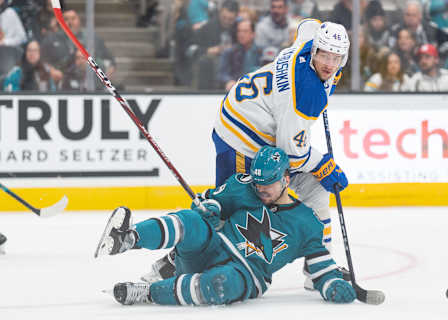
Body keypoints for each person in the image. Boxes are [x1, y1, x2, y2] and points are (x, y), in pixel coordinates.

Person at [144, 18, 351, 286]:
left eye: (336, 58)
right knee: (230, 208)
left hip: (248, 120)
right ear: (314, 51)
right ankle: (168, 266)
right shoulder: (306, 93)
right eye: (324, 55)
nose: (329, 64)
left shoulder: (307, 42)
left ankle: (318, 267)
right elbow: (294, 155)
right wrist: (325, 165)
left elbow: (308, 24)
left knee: (315, 189)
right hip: (241, 140)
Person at [96, 146, 356, 306]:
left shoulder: (308, 224)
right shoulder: (245, 186)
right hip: (211, 248)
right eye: (257, 183)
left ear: (286, 179)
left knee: (219, 285)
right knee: (191, 221)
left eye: (268, 184)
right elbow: (212, 203)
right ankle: (126, 238)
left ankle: (146, 293)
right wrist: (209, 208)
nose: (261, 189)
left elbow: (321, 269)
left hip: (245, 275)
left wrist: (332, 285)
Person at [217, 19, 262, 91]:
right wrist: (229, 81)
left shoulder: (261, 52)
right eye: (239, 31)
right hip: (236, 91)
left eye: (245, 31)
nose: (241, 34)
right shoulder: (229, 53)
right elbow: (222, 74)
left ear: (253, 34)